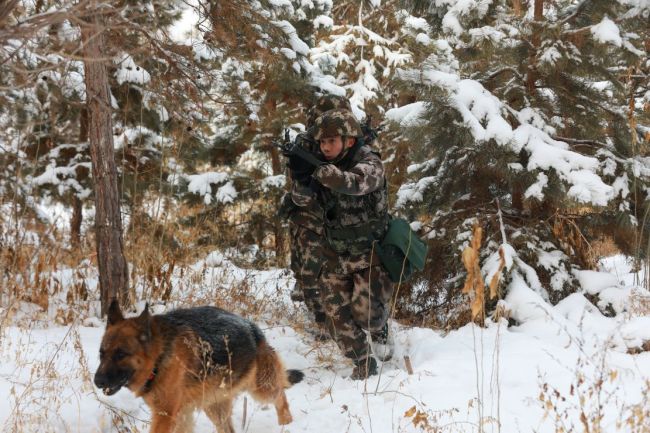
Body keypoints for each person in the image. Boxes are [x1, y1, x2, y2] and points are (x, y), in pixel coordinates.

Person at [291, 108, 394, 379]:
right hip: (335, 254)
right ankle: (363, 362)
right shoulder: (319, 164)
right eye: (322, 142)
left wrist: (323, 173)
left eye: (331, 141)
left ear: (349, 140)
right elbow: (302, 203)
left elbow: (356, 183)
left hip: (371, 254)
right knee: (334, 314)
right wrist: (302, 182)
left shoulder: (369, 161)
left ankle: (379, 328)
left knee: (367, 315)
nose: (325, 147)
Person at [279, 94, 352, 339]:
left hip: (344, 220)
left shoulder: (356, 143)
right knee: (308, 274)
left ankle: (347, 322)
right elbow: (300, 195)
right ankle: (322, 325)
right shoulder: (305, 145)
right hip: (309, 220)